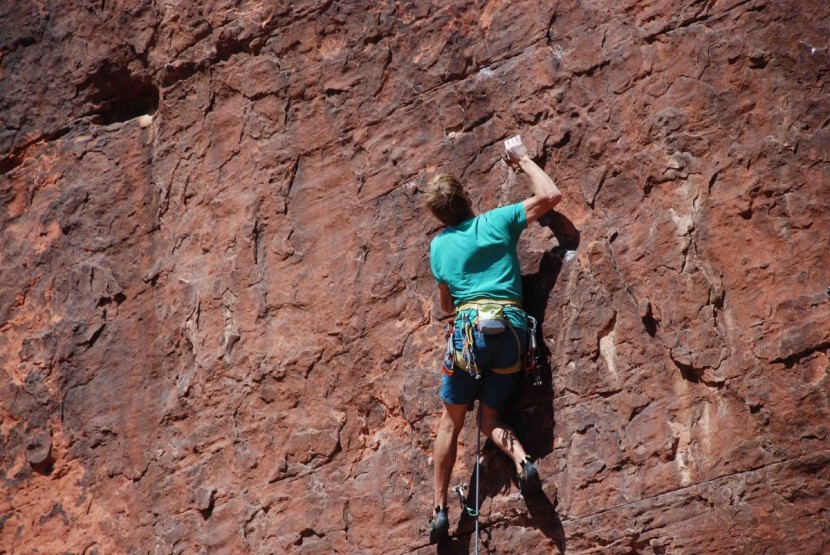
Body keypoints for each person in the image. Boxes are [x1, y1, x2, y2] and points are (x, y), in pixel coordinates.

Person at [424, 136, 563, 544]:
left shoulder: (440, 246)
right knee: (489, 419)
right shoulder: (497, 221)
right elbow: (550, 194)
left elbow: (446, 304)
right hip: (512, 334)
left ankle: (438, 512)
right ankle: (523, 462)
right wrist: (521, 159)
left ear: (439, 216)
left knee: (452, 421)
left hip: (469, 336)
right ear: (466, 199)